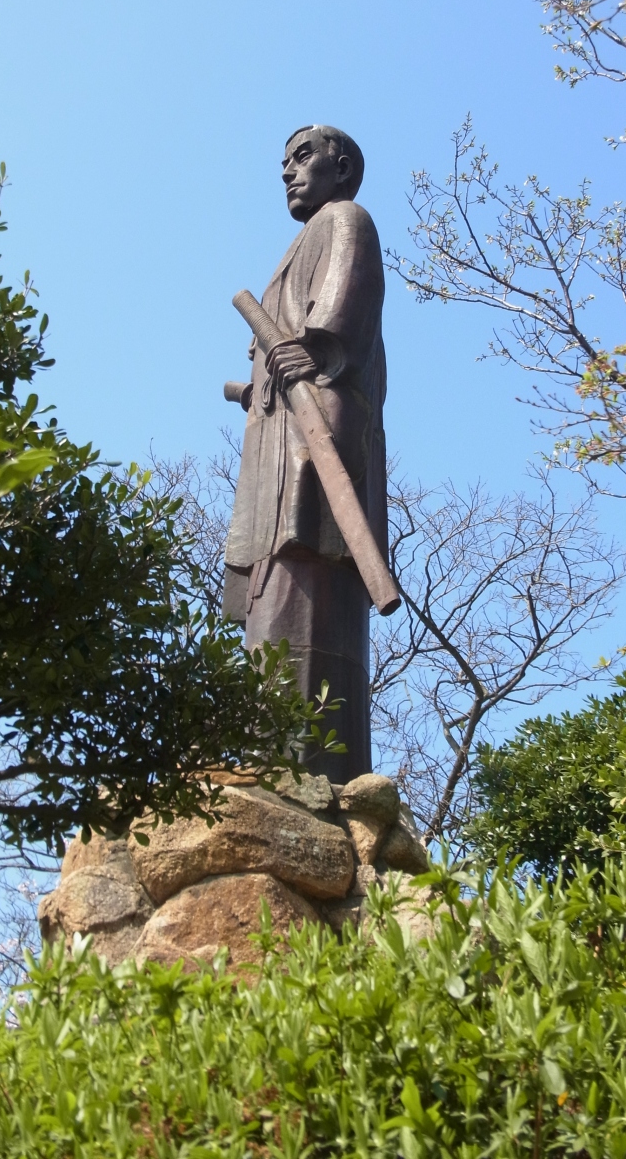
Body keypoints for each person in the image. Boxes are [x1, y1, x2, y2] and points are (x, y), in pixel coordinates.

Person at [223, 124, 388, 782]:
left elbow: (345, 306)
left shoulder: (346, 219)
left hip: (319, 419)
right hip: (278, 426)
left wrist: (314, 348)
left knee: (311, 560)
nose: (288, 172)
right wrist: (259, 384)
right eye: (284, 163)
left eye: (301, 157)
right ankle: (263, 754)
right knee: (270, 580)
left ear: (340, 167)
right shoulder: (294, 248)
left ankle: (313, 770)